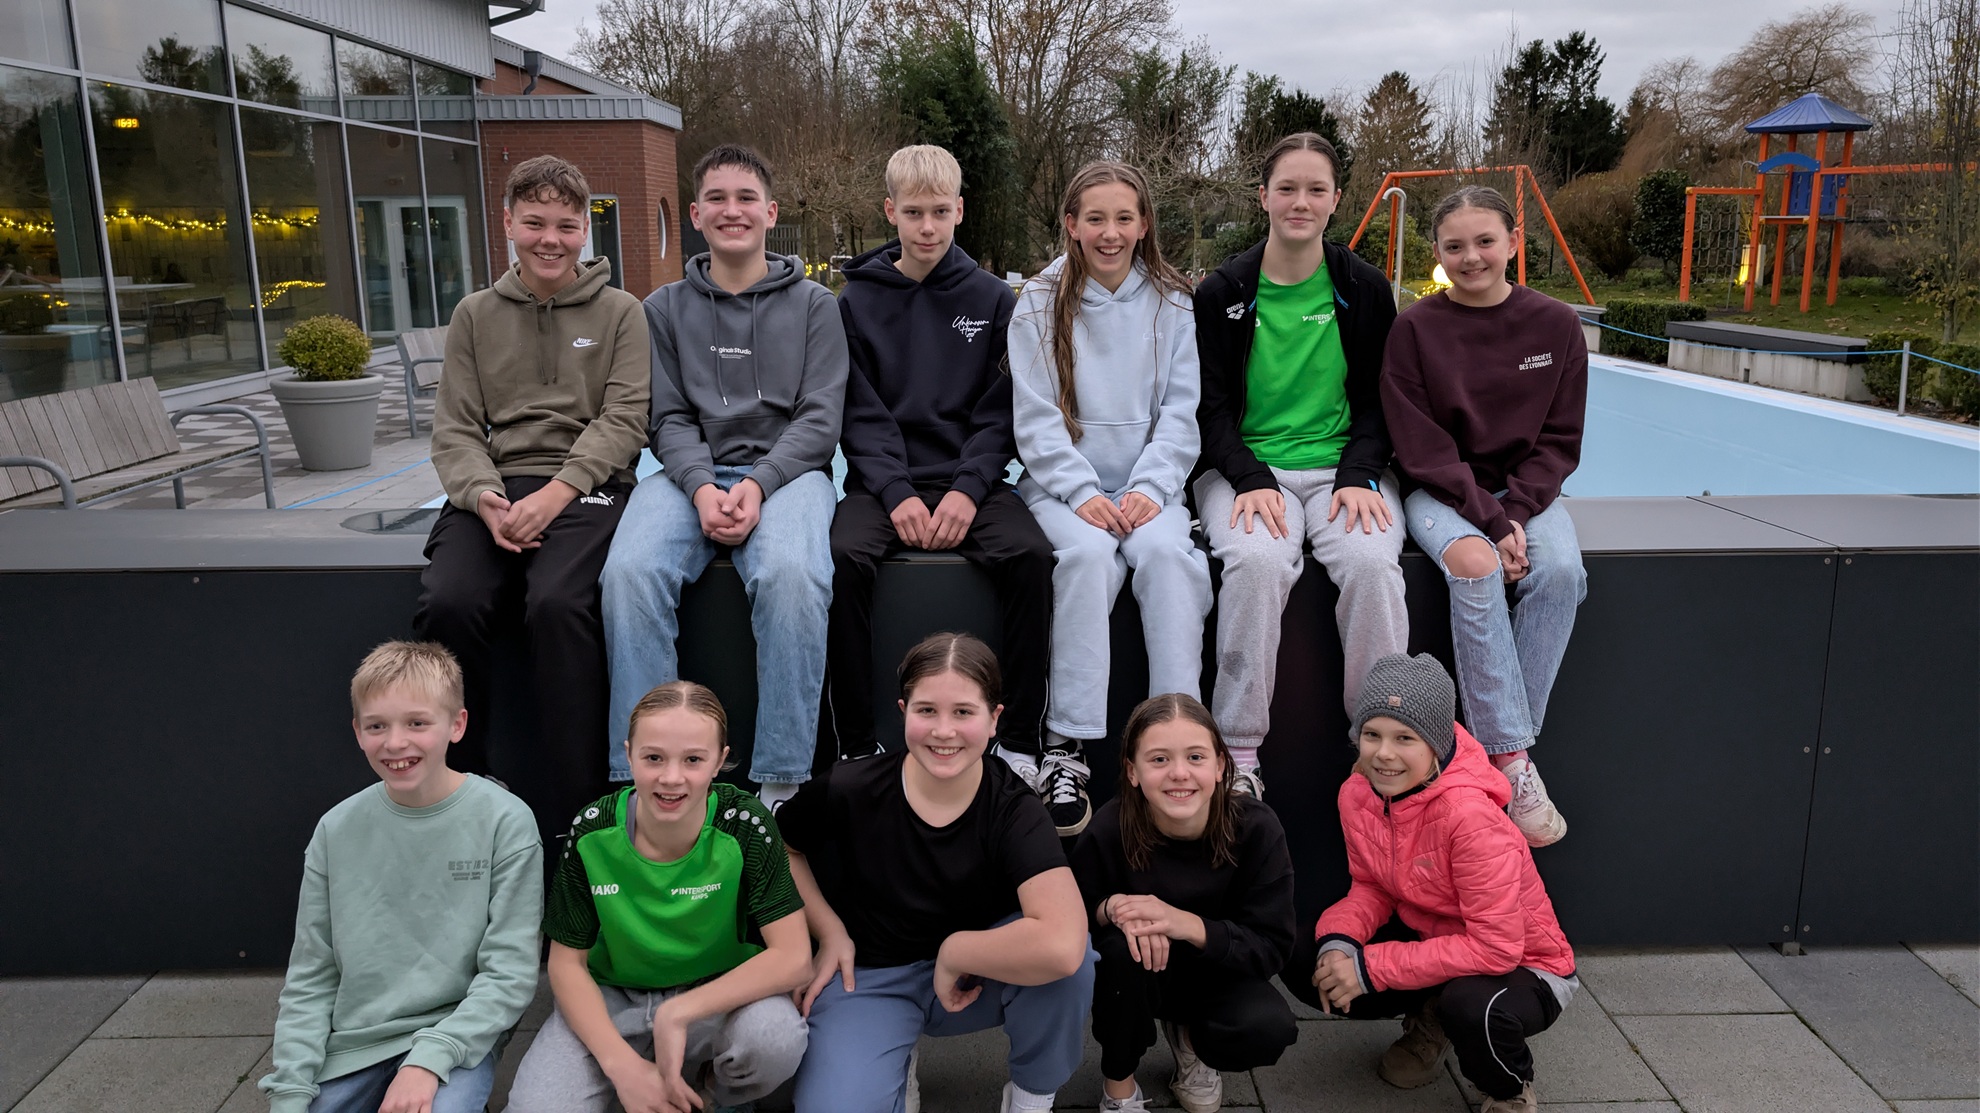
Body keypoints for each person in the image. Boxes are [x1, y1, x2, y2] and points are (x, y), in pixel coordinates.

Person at [600, 143, 848, 810]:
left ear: (770, 212)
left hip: (789, 475)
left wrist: (759, 483)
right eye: (717, 198)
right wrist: (703, 486)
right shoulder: (662, 308)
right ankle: (647, 776)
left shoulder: (816, 305)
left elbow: (819, 418)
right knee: (628, 573)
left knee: (792, 574)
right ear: (695, 214)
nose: (731, 210)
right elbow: (668, 416)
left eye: (746, 198)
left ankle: (782, 782)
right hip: (691, 475)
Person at [415, 154, 650, 842]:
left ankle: (578, 805)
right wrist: (484, 497)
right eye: (536, 223)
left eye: (567, 226)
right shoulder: (474, 315)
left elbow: (624, 420)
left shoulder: (621, 313)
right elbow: (456, 429)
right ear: (508, 223)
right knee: (450, 599)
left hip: (588, 486)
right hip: (496, 488)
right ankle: (465, 779)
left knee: (556, 603)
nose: (551, 239)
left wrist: (557, 493)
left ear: (585, 231)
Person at [778, 633, 1096, 1113]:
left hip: (976, 973)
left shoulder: (1015, 809)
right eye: (926, 710)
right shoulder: (851, 787)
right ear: (903, 711)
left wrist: (955, 952)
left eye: (964, 712)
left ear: (994, 719)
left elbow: (1064, 943)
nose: (944, 731)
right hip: (871, 976)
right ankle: (892, 1056)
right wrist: (828, 930)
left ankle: (1031, 1100)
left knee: (1070, 966)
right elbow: (780, 848)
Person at [826, 144, 1054, 787]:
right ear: (889, 211)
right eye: (913, 213)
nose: (927, 228)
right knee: (840, 558)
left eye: (939, 212)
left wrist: (969, 488)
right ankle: (856, 745)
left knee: (1033, 557)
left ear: (960, 210)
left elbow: (1002, 411)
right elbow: (859, 412)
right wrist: (895, 491)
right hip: (884, 486)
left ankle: (1018, 743)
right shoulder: (854, 303)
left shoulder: (994, 298)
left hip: (970, 482)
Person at [1192, 133, 1409, 797]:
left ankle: (1381, 746)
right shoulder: (1222, 291)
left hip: (1344, 469)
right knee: (1256, 563)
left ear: (1336, 200)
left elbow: (1381, 401)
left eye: (1316, 189)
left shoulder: (1364, 288)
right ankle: (1238, 753)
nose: (1300, 202)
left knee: (1372, 565)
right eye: (1287, 188)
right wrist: (1249, 477)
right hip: (1246, 471)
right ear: (1263, 196)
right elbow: (1209, 410)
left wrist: (1360, 471)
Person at [1381, 185, 1589, 847]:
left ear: (1513, 243)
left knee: (1561, 572)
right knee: (1474, 569)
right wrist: (1493, 523)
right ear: (1438, 252)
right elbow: (1422, 448)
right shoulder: (1415, 328)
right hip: (1442, 492)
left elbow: (1560, 441)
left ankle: (1496, 750)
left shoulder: (1555, 325)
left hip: (1527, 495)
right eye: (1455, 246)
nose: (1471, 257)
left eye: (1485, 241)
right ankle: (1512, 762)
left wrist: (1516, 512)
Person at [1010, 160, 1211, 836]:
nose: (1110, 232)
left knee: (1168, 560)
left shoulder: (1173, 301)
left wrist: (1151, 488)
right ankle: (1065, 748)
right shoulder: (1039, 301)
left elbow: (1181, 412)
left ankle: (1179, 741)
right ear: (1071, 224)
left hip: (1150, 491)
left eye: (1124, 218)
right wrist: (1081, 491)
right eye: (1095, 218)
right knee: (1088, 559)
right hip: (1063, 490)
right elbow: (1035, 417)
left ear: (1144, 223)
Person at [1286, 653, 1578, 1113]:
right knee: (1306, 954)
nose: (1384, 753)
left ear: (1436, 745)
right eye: (1372, 735)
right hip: (1434, 936)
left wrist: (1370, 969)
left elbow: (1497, 949)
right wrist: (1340, 945)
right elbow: (1372, 887)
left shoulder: (1470, 817)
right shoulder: (1358, 793)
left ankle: (1510, 1092)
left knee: (1473, 1008)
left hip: (1526, 964)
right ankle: (1432, 1014)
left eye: (1405, 737)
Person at [260, 642, 542, 1113]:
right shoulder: (336, 830)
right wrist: (290, 1087)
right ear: (357, 732)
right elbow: (312, 973)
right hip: (355, 1043)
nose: (395, 743)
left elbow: (509, 973)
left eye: (417, 723)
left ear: (457, 725)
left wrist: (429, 1059)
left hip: (455, 1036)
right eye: (377, 726)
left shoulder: (504, 821)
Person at [506, 681, 812, 1113]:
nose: (671, 777)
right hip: (613, 998)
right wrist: (621, 1066)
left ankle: (710, 1098)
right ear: (628, 755)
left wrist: (679, 1011)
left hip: (716, 993)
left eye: (693, 759)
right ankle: (637, 1082)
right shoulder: (593, 829)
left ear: (719, 760)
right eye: (653, 758)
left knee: (775, 1040)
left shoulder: (744, 822)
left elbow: (794, 957)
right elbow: (565, 964)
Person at [1071, 694, 1298, 1113]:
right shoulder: (1110, 827)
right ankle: (1119, 1085)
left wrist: (1185, 923)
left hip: (1217, 973)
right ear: (1133, 771)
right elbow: (1072, 912)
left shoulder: (1257, 829)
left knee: (1266, 1027)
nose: (1179, 773)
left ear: (1220, 765)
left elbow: (1272, 946)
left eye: (1195, 757)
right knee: (1118, 951)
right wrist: (1113, 907)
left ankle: (1190, 1040)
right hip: (1137, 976)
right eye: (1159, 759)